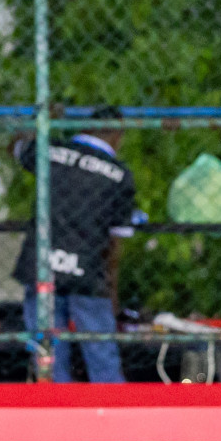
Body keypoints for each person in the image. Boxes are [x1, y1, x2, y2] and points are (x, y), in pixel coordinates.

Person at [13, 106, 138, 384]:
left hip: (42, 264)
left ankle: (54, 416)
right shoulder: (119, 175)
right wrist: (111, 290)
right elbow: (114, 242)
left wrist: (39, 120)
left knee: (48, 355)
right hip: (88, 270)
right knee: (101, 354)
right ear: (118, 134)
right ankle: (112, 417)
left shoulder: (52, 153)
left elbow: (19, 147)